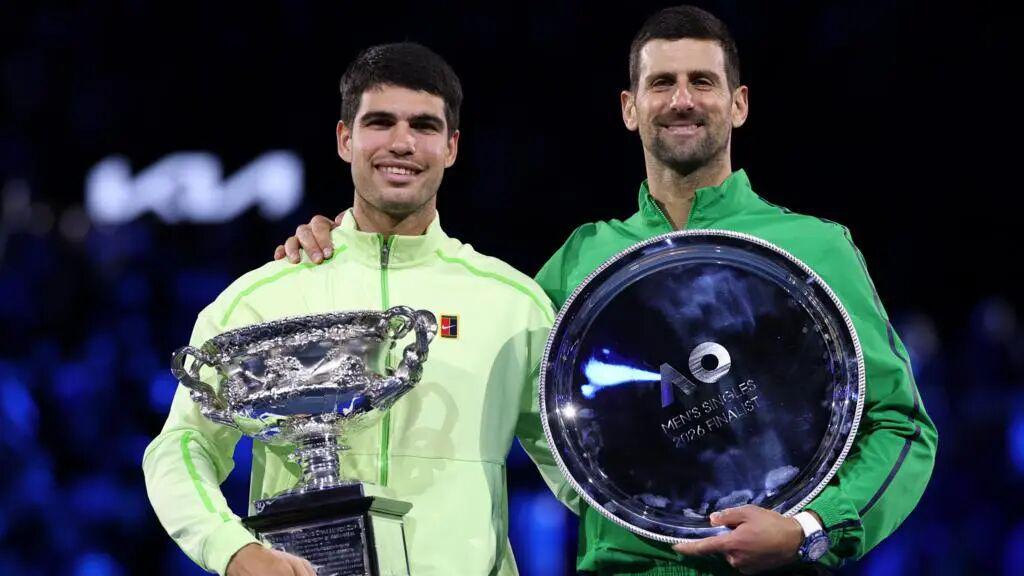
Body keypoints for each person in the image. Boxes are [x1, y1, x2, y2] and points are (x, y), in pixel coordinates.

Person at [275, 5, 937, 575]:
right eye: (661, 83)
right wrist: (350, 246)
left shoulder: (816, 249)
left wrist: (809, 528)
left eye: (702, 82)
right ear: (629, 108)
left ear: (738, 103)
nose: (682, 100)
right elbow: (457, 344)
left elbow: (902, 428)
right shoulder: (581, 262)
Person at [143, 42, 573, 576]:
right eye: (380, 122)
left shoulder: (514, 303)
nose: (401, 143)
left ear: (452, 146)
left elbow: (579, 472)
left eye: (424, 126)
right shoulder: (260, 299)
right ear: (345, 139)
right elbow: (181, 447)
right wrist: (231, 549)